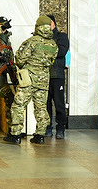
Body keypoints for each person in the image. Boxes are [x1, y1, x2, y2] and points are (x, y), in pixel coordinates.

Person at [4, 16, 58, 145]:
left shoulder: (31, 42)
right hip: (44, 80)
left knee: (18, 106)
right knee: (41, 107)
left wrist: (28, 66)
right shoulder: (53, 44)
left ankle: (15, 135)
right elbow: (51, 62)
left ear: (38, 27)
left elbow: (20, 59)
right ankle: (40, 135)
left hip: (28, 79)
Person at [45, 15, 70, 139]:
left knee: (59, 104)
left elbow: (61, 52)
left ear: (53, 24)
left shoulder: (62, 36)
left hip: (57, 75)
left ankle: (61, 128)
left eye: (49, 23)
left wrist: (45, 48)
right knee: (45, 104)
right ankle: (47, 127)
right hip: (44, 76)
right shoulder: (40, 37)